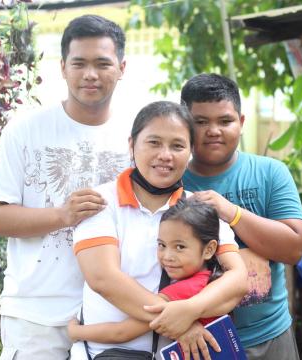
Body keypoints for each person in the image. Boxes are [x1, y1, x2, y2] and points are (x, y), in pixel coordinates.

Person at [0, 15, 130, 360]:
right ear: (63, 67)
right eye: (79, 63)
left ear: (122, 67)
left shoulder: (137, 136)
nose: (90, 74)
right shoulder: (24, 130)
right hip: (35, 314)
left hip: (112, 313)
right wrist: (62, 214)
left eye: (102, 63)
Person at [70, 101, 248, 360]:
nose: (165, 155)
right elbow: (103, 279)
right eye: (154, 143)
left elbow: (238, 279)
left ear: (190, 152)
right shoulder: (100, 202)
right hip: (108, 354)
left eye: (177, 146)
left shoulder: (200, 209)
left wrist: (188, 312)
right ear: (132, 145)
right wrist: (181, 322)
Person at [181, 73, 302, 360]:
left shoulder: (270, 172)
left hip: (269, 335)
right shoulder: (170, 182)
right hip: (197, 340)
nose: (213, 130)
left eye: (225, 121)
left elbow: (295, 248)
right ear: (184, 124)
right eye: (200, 122)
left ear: (241, 122)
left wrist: (230, 212)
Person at [67, 198, 223, 344]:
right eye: (162, 245)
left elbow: (121, 333)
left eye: (180, 247)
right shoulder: (214, 281)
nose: (167, 256)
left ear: (209, 249)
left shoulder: (182, 292)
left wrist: (77, 332)